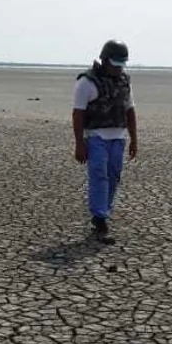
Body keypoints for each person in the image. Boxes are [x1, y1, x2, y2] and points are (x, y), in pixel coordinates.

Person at [72, 39, 138, 244]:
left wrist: (134, 139)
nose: (119, 68)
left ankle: (103, 211)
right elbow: (78, 114)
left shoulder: (124, 82)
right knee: (99, 175)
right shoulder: (87, 82)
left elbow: (130, 110)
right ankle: (100, 217)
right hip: (96, 137)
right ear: (104, 60)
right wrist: (79, 143)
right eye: (115, 63)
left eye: (122, 64)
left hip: (118, 137)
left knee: (113, 176)